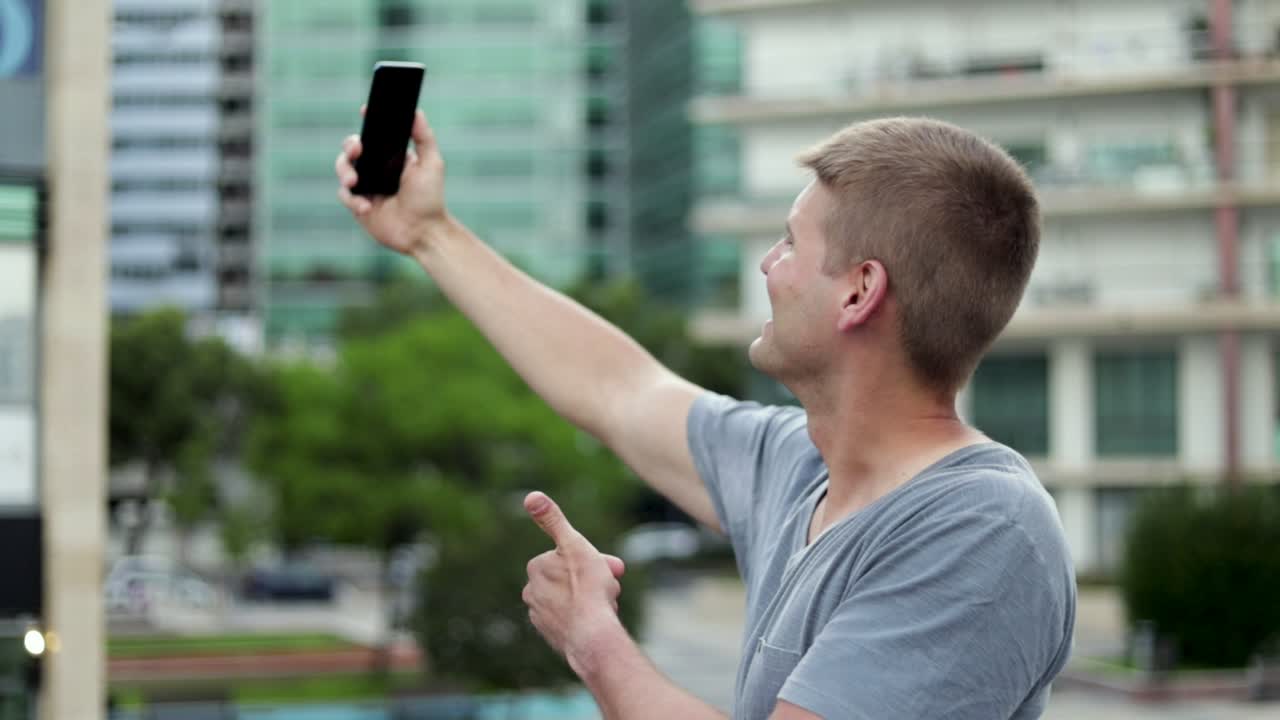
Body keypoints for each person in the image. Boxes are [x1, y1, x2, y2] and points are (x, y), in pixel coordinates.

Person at [336, 111, 1076, 719]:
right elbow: (618, 389)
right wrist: (429, 234)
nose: (768, 266)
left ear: (859, 292)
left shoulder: (983, 529)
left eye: (791, 241)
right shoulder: (800, 466)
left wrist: (594, 639)